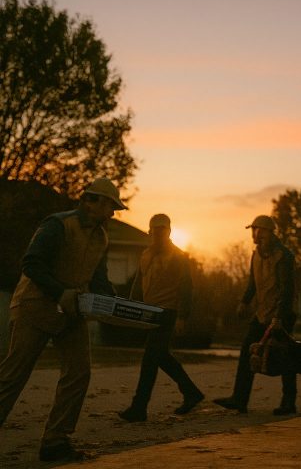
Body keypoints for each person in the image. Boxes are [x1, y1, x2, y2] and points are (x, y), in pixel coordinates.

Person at [0, 177, 126, 462]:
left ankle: (55, 441)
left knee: (79, 372)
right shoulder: (58, 225)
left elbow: (98, 277)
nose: (113, 213)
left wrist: (113, 300)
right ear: (92, 201)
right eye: (110, 206)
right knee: (13, 376)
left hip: (72, 311)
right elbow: (31, 264)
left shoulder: (101, 237)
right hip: (34, 306)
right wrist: (60, 292)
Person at [118, 214, 204, 422]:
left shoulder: (178, 256)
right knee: (161, 356)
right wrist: (131, 307)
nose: (158, 234)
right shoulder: (145, 254)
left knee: (150, 359)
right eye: (155, 230)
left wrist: (182, 317)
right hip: (149, 311)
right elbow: (138, 283)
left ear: (169, 232)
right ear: (149, 232)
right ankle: (191, 392)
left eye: (162, 230)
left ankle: (139, 408)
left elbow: (186, 288)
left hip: (167, 312)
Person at [213, 215, 298, 415]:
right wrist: (244, 301)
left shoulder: (283, 256)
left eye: (260, 230)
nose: (256, 234)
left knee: (286, 358)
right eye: (254, 230)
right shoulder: (256, 255)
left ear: (270, 232)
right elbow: (253, 283)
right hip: (261, 314)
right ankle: (239, 399)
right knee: (246, 353)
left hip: (281, 315)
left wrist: (279, 316)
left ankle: (289, 402)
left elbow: (287, 290)